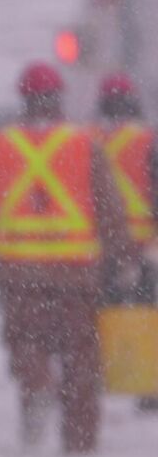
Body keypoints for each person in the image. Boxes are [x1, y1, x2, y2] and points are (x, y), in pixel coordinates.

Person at [0, 62, 134, 454]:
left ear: (23, 100)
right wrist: (124, 258)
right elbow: (109, 209)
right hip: (75, 273)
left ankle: (35, 388)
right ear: (57, 100)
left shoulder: (0, 146)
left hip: (19, 273)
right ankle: (80, 440)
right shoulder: (85, 146)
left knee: (26, 343)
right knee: (80, 357)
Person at [96, 72, 158, 411]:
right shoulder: (148, 140)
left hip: (101, 246)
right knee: (146, 312)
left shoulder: (87, 140)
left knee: (103, 312)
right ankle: (147, 385)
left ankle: (105, 376)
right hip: (142, 244)